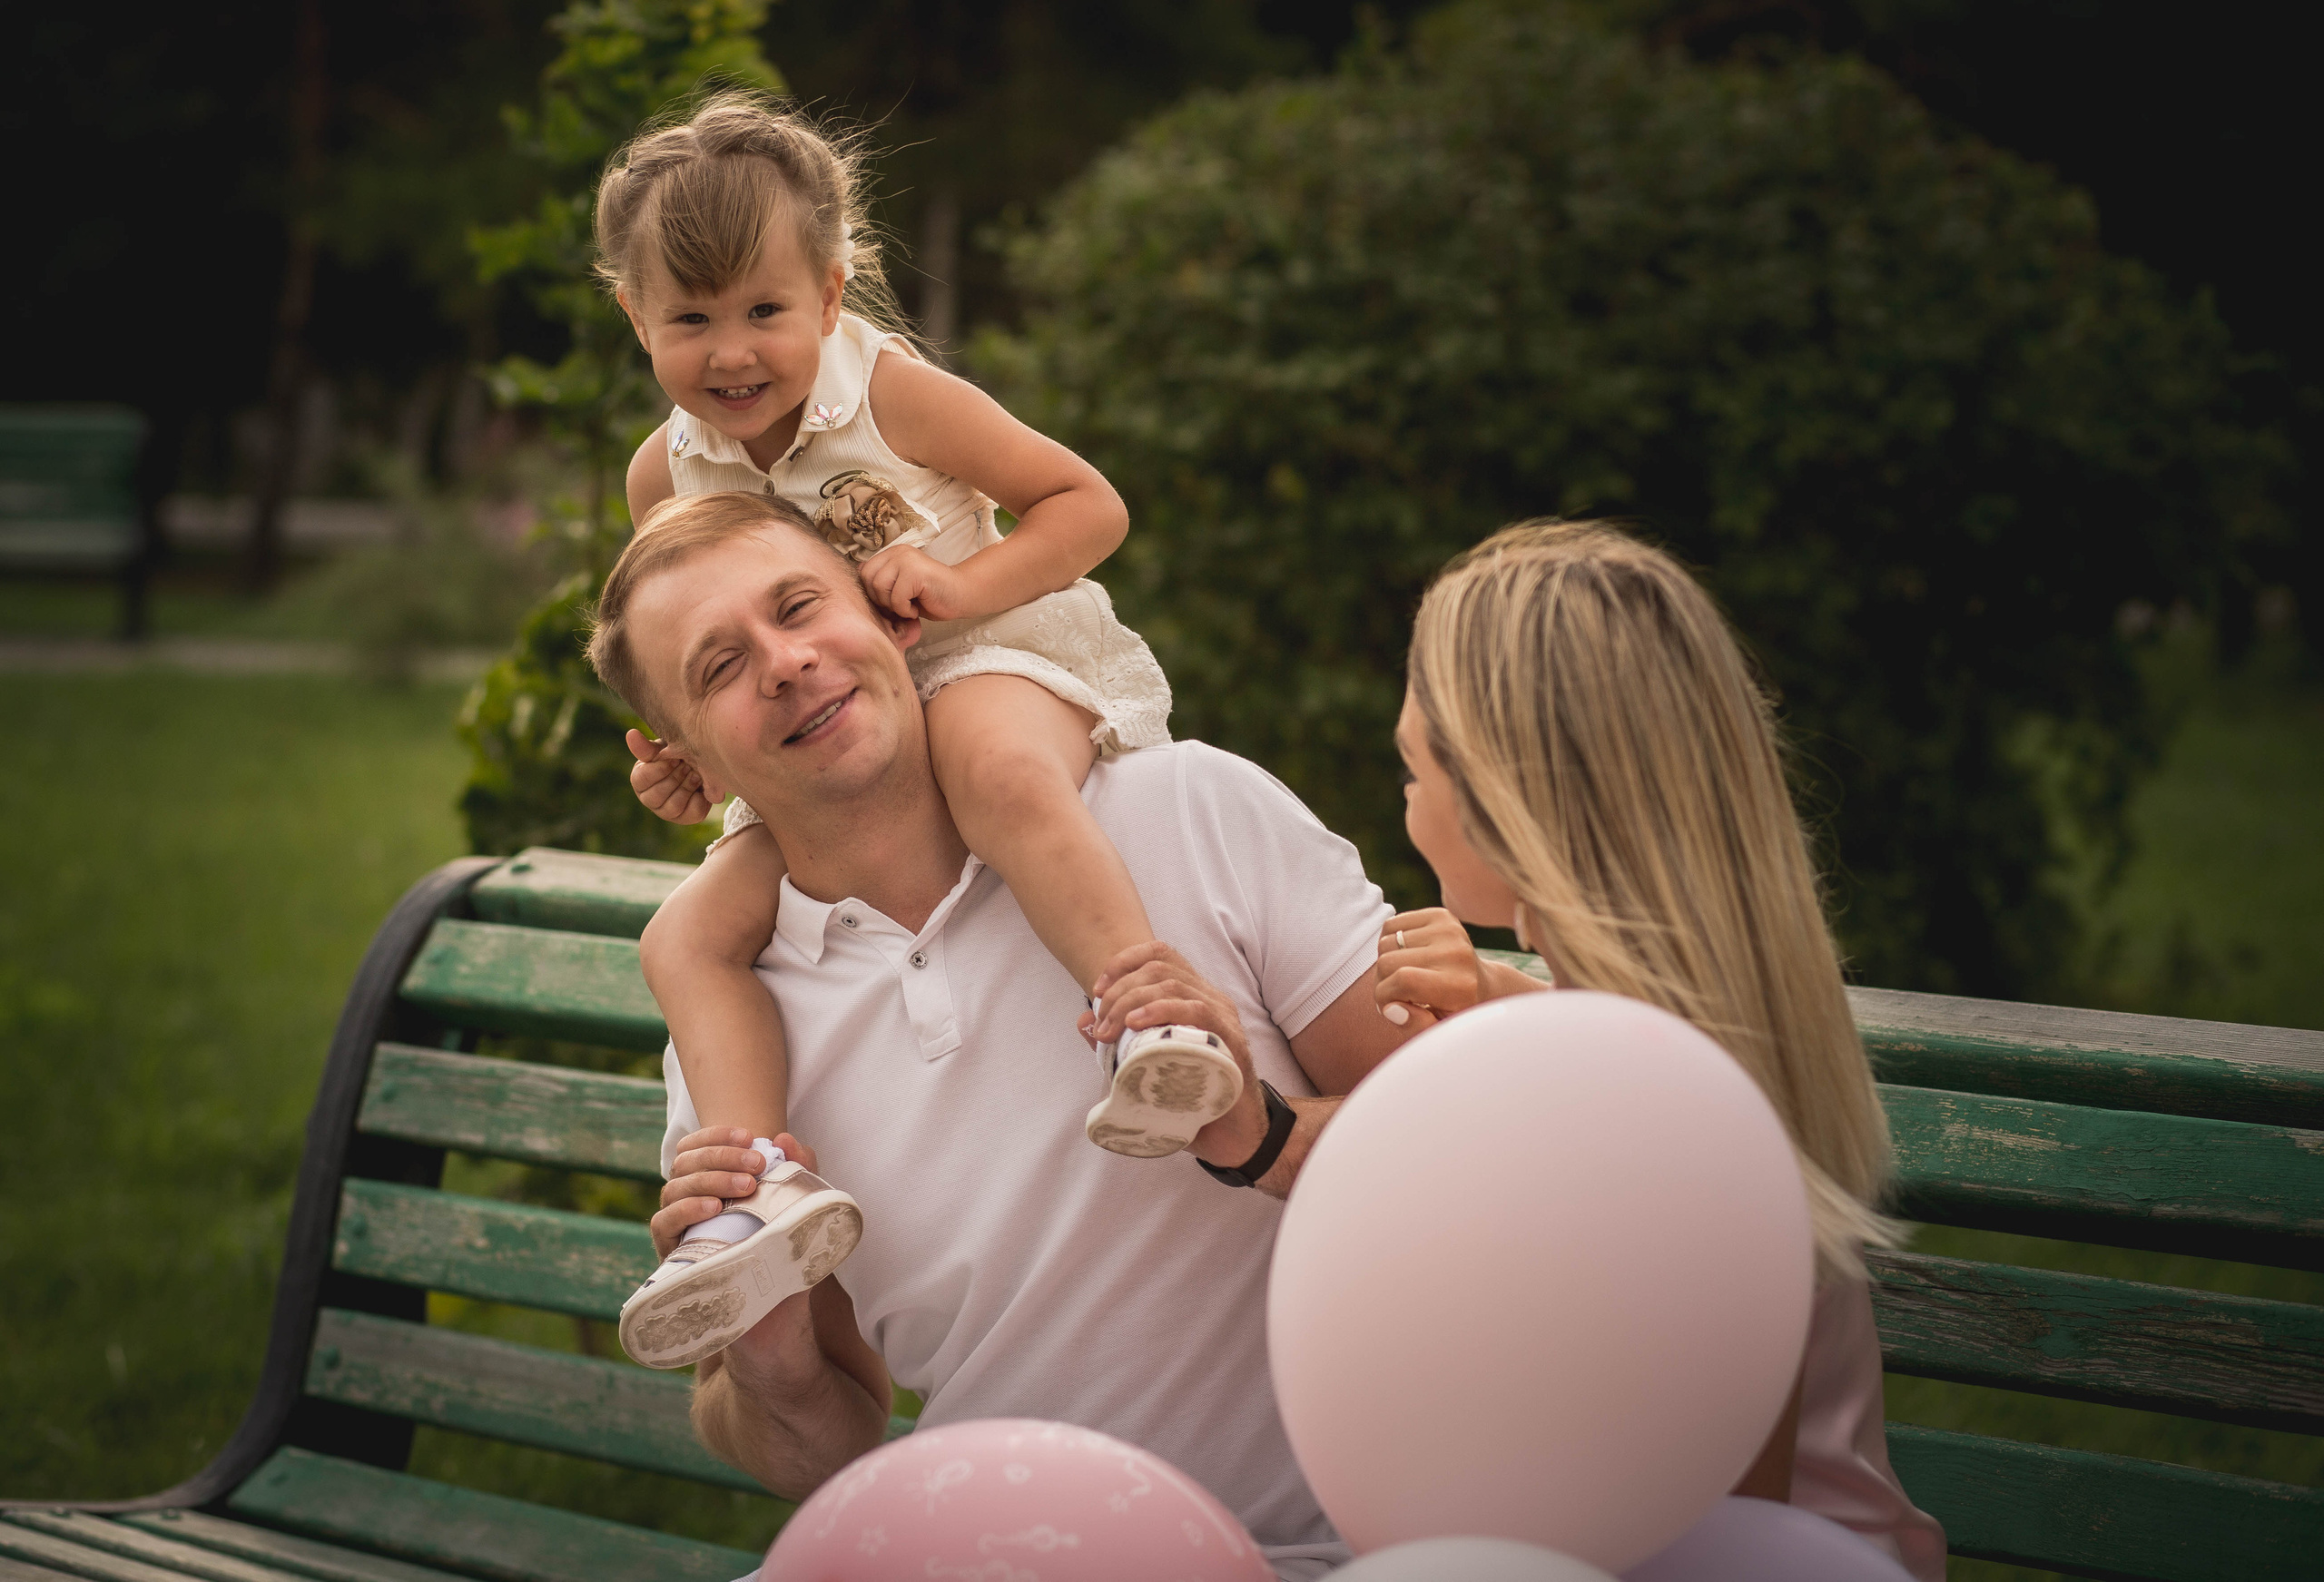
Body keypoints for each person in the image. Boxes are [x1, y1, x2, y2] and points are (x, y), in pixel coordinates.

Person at [585, 491, 1411, 1577]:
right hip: (997, 1553)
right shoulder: (737, 1039)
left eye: (798, 608)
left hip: (1323, 1549)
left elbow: (1482, 1166)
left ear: (889, 618)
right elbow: (822, 1449)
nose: (783, 663)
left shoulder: (1193, 811)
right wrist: (772, 1366)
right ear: (688, 761)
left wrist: (1266, 1133)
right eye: (720, 668)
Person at [591, 95, 1241, 1370]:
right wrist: (681, 752)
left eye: (765, 310)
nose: (733, 352)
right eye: (692, 319)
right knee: (688, 933)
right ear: (636, 317)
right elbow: (673, 651)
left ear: (829, 295)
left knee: (992, 765)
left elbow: (1082, 503)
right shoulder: (659, 477)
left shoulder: (892, 392)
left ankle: (1153, 1016)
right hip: (817, 729)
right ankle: (753, 1188)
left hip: (980, 658)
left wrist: (967, 587)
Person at [1360, 520, 1947, 1579]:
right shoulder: (1691, 1041)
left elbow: (1731, 1525)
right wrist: (1502, 991)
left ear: (1506, 797)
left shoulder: (1673, 1126)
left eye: (1412, 767)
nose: (1404, 798)